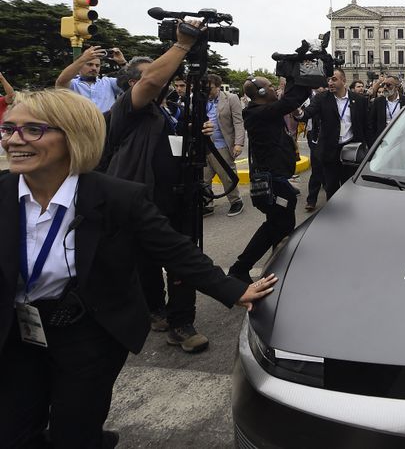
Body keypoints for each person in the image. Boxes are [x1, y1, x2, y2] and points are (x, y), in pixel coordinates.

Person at [0, 88, 276, 448]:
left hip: (87, 332)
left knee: (74, 431)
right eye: (8, 129)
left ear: (74, 135)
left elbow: (173, 249)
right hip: (15, 333)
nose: (13, 141)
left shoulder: (117, 196)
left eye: (32, 130)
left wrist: (233, 289)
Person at [102, 27, 212, 353]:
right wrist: (182, 44)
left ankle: (181, 323)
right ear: (131, 85)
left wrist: (198, 135)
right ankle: (155, 310)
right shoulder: (126, 110)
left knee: (181, 258)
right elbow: (151, 82)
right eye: (151, 76)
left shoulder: (169, 111)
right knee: (145, 262)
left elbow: (178, 151)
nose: (161, 79)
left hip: (176, 198)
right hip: (141, 202)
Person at [229, 75, 311, 283]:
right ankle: (245, 268)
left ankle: (265, 267)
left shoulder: (264, 111)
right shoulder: (258, 113)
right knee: (280, 224)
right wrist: (302, 78)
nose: (275, 89)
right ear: (262, 93)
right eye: (270, 87)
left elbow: (290, 101)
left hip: (278, 178)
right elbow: (291, 101)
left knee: (277, 224)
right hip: (273, 181)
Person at [299, 68, 369, 198]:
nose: (330, 82)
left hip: (351, 151)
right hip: (330, 151)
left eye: (334, 79)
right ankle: (333, 215)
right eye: (328, 80)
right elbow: (307, 113)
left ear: (344, 80)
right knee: (331, 188)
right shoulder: (322, 98)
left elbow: (366, 126)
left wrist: (369, 149)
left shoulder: (359, 100)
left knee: (350, 188)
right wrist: (298, 112)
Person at [202, 74, 245, 217]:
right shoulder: (199, 99)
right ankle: (207, 203)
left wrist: (238, 143)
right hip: (204, 145)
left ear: (219, 86)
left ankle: (235, 201)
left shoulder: (231, 98)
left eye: (211, 88)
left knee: (227, 176)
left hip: (222, 144)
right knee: (203, 178)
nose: (207, 90)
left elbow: (238, 122)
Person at [54, 46, 127, 113]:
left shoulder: (109, 82)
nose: (94, 68)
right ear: (80, 66)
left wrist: (123, 63)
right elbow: (61, 81)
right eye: (89, 64)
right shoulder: (72, 84)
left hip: (107, 126)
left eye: (97, 65)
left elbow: (132, 81)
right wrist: (83, 58)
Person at [301, 87, 326, 212]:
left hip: (328, 135)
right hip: (314, 135)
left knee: (327, 166)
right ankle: (311, 200)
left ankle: (327, 187)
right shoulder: (306, 97)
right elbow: (301, 115)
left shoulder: (330, 96)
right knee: (316, 166)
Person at [368, 74, 405, 146]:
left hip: (401, 141)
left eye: (388, 85)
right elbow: (372, 122)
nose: (385, 87)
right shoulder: (378, 102)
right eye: (383, 85)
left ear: (396, 87)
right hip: (383, 141)